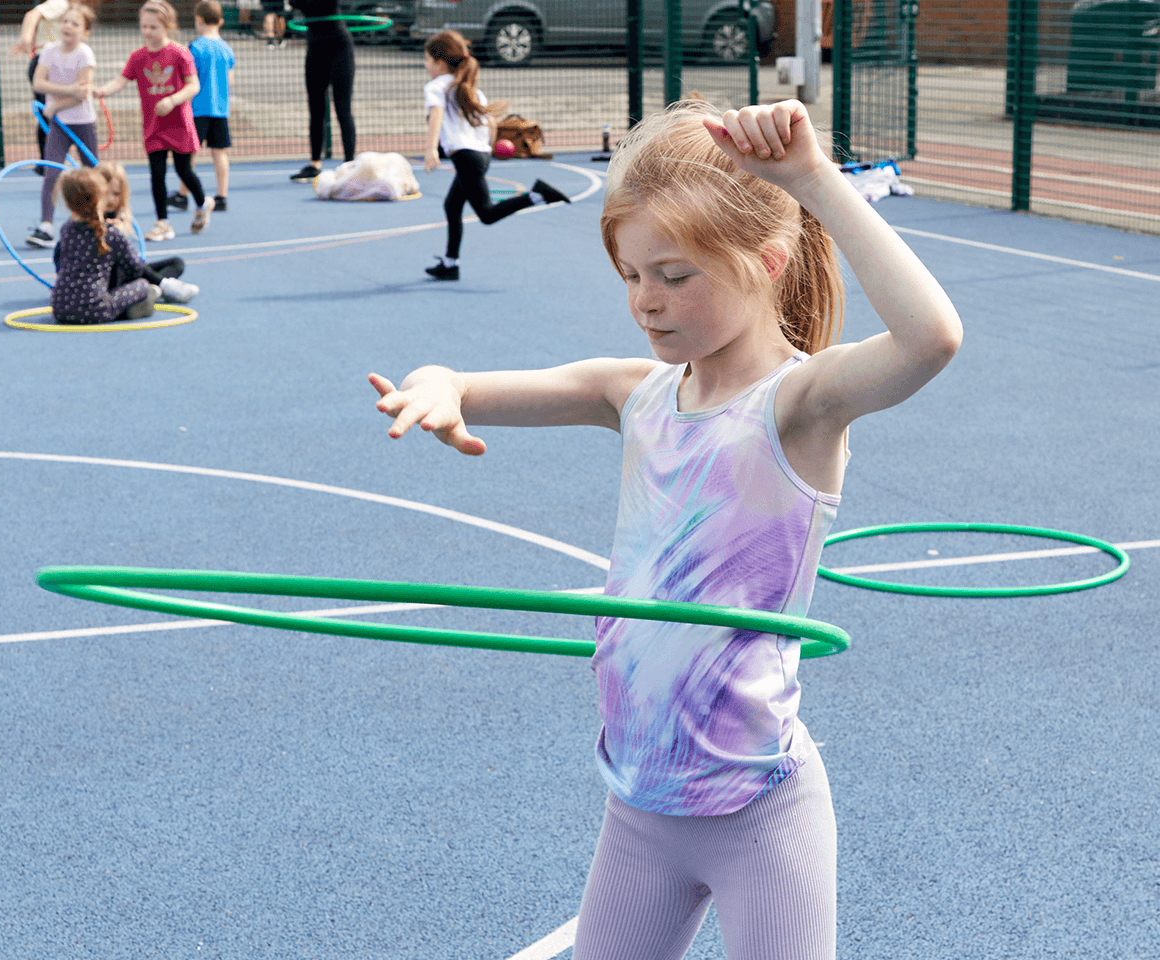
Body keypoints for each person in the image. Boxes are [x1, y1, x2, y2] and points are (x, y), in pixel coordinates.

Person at [368, 98, 963, 960]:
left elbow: (932, 338)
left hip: (758, 808)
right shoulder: (637, 391)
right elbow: (467, 380)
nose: (647, 302)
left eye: (675, 276)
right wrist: (439, 383)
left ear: (767, 260)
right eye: (631, 275)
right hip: (640, 802)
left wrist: (813, 181)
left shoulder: (798, 406)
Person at [417, 29, 569, 281]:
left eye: (427, 60)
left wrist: (431, 149)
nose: (426, 66)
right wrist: (485, 151)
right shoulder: (472, 90)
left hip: (467, 157)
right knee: (452, 205)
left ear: (440, 63)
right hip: (480, 156)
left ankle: (537, 195)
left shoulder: (435, 87)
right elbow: (491, 124)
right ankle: (450, 263)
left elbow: (436, 116)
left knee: (486, 214)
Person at [96, 0, 214, 242]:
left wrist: (172, 100)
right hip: (154, 126)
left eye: (153, 27)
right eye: (144, 26)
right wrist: (103, 90)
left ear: (167, 26)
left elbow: (194, 86)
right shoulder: (138, 57)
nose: (147, 32)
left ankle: (203, 204)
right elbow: (120, 80)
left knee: (184, 170)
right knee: (156, 173)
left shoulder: (180, 53)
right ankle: (163, 223)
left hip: (179, 123)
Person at [25, 3, 99, 248]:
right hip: (59, 125)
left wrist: (55, 106)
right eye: (65, 21)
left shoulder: (85, 54)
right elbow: (38, 83)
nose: (67, 26)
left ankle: (99, 221)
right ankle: (45, 226)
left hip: (82, 123)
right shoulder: (48, 51)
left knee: (92, 175)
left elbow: (82, 94)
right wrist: (66, 93)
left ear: (85, 32)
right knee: (51, 173)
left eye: (75, 23)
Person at [49, 167, 160, 325]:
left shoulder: (66, 230)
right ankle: (133, 309)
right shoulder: (112, 233)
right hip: (97, 311)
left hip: (60, 310)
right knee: (142, 285)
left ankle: (129, 308)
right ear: (99, 197)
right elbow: (136, 269)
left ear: (68, 203)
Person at [89, 161, 198, 303]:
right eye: (105, 193)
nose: (110, 199)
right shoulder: (87, 216)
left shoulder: (116, 214)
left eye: (116, 193)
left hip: (123, 274)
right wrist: (112, 235)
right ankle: (161, 286)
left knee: (177, 263)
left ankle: (151, 289)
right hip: (101, 279)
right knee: (134, 267)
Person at [167, 0, 235, 213]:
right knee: (220, 153)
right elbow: (230, 79)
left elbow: (187, 77)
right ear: (221, 21)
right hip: (220, 110)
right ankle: (222, 196)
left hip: (197, 109)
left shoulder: (195, 47)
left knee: (189, 155)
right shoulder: (226, 48)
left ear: (198, 20)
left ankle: (183, 194)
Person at [287, 0, 355, 183]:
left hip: (339, 47)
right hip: (316, 48)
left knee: (343, 108)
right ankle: (315, 163)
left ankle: (349, 164)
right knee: (316, 109)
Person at [9, 0, 72, 173]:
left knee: (52, 114)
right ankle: (49, 162)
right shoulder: (60, 3)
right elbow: (32, 15)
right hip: (47, 65)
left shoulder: (72, 8)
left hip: (56, 64)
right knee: (51, 114)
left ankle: (48, 162)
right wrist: (26, 38)